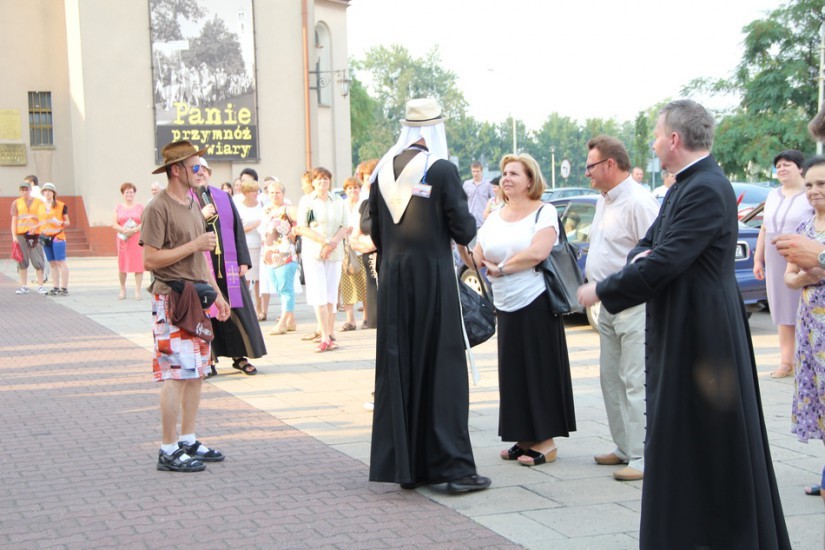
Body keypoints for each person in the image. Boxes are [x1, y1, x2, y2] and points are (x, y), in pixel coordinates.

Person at [577, 100, 790, 548]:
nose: (654, 144)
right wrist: (644, 257)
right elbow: (647, 246)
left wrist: (603, 289)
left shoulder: (705, 186)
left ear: (674, 139)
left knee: (709, 436)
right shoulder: (686, 185)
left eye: (657, 135)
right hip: (684, 320)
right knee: (681, 434)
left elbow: (667, 257)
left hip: (704, 330)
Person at [368, 97, 491, 493]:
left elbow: (374, 231)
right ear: (436, 129)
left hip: (393, 280)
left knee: (400, 367)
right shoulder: (441, 169)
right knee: (442, 370)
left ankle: (408, 467)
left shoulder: (381, 170)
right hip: (432, 279)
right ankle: (453, 469)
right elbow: (463, 229)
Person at [472, 153, 576, 468]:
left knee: (539, 370)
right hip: (504, 303)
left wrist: (502, 268)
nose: (506, 178)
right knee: (513, 372)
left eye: (514, 173)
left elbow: (538, 252)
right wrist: (459, 242)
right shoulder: (494, 216)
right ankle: (523, 438)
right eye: (505, 173)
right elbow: (476, 257)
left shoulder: (544, 212)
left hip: (536, 299)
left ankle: (546, 441)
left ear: (530, 180)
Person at [142, 140, 231, 473]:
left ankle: (188, 439)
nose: (201, 171)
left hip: (196, 297)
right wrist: (194, 244)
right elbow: (150, 259)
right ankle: (168, 448)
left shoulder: (193, 203)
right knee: (175, 374)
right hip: (171, 298)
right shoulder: (158, 207)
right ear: (176, 170)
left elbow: (200, 258)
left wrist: (217, 294)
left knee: (197, 373)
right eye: (195, 166)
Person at [582, 136, 660, 482]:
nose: (587, 173)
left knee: (635, 381)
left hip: (634, 305)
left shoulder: (639, 202)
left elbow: (655, 256)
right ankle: (625, 446)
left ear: (609, 164)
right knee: (611, 378)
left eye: (590, 166)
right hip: (607, 304)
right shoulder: (605, 200)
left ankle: (644, 456)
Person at [193, 157, 266, 376]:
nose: (200, 174)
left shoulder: (223, 197)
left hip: (228, 265)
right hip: (201, 266)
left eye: (204, 170)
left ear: (210, 173)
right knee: (206, 311)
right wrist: (200, 216)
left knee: (236, 310)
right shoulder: (185, 199)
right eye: (195, 170)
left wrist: (243, 260)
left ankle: (239, 356)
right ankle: (209, 359)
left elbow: (237, 229)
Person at [783, 155, 825, 500]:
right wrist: (804, 277)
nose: (814, 191)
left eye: (821, 184)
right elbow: (789, 278)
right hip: (811, 328)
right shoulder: (803, 228)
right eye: (809, 185)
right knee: (818, 398)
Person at [753, 150, 813, 378]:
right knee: (780, 309)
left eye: (787, 164)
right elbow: (764, 228)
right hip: (774, 255)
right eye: (778, 166)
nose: (782, 169)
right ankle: (786, 362)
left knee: (802, 307)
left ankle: (805, 360)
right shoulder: (773, 195)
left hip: (800, 256)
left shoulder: (809, 194)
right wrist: (758, 258)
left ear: (800, 168)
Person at [295, 167, 350, 352]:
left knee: (331, 295)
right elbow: (303, 227)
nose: (323, 182)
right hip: (314, 253)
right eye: (319, 179)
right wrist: (324, 242)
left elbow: (345, 225)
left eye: (326, 178)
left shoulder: (338, 201)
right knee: (319, 294)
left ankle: (330, 333)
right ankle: (324, 336)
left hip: (334, 253)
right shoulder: (307, 201)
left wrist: (332, 243)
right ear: (313, 182)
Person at [262, 179, 298, 335]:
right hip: (270, 255)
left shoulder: (288, 209)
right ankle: (291, 320)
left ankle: (282, 322)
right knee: (278, 288)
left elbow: (301, 226)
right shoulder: (267, 210)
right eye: (271, 192)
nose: (274, 195)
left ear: (283, 194)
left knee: (285, 289)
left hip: (286, 254)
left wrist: (291, 233)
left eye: (277, 192)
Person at [339, 176, 367, 331]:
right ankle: (350, 320)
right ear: (345, 190)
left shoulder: (364, 203)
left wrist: (355, 229)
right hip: (346, 249)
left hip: (362, 247)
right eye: (349, 188)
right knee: (347, 285)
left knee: (365, 284)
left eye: (355, 187)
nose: (353, 190)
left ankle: (367, 318)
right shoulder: (341, 205)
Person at [11, 180, 46, 294]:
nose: (24, 192)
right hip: (21, 234)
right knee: (22, 260)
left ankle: (40, 286)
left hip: (35, 234)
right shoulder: (16, 203)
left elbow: (44, 218)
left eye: (26, 190)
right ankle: (24, 286)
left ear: (30, 190)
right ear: (19, 192)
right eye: (22, 190)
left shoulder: (39, 202)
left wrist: (35, 224)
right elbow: (14, 221)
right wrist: (14, 236)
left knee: (37, 259)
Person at [235, 179, 264, 320]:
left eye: (257, 190)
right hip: (246, 245)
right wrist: (253, 226)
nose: (256, 193)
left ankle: (260, 309)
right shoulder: (239, 206)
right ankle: (247, 310)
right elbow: (237, 228)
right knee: (245, 279)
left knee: (259, 280)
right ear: (245, 193)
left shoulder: (262, 205)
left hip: (260, 245)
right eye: (253, 191)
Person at [36, 182, 71, 296]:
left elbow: (67, 222)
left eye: (49, 191)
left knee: (60, 261)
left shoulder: (61, 206)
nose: (47, 193)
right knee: (52, 263)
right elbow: (40, 221)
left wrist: (60, 222)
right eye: (45, 191)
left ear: (54, 193)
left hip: (58, 236)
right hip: (46, 237)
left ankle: (64, 288)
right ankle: (55, 287)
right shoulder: (40, 207)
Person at [113, 182, 145, 300]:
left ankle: (137, 290)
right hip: (123, 239)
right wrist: (124, 230)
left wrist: (134, 230)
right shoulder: (118, 207)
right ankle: (122, 289)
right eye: (127, 192)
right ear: (123, 194)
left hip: (137, 238)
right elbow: (114, 224)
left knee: (138, 264)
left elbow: (144, 222)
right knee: (122, 264)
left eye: (131, 192)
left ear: (134, 193)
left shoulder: (140, 207)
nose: (129, 194)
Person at [462, 160, 494, 229]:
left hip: (484, 222)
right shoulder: (466, 184)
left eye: (477, 171)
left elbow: (493, 200)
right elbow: (462, 201)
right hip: (470, 221)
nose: (475, 174)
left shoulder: (488, 184)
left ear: (481, 171)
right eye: (473, 171)